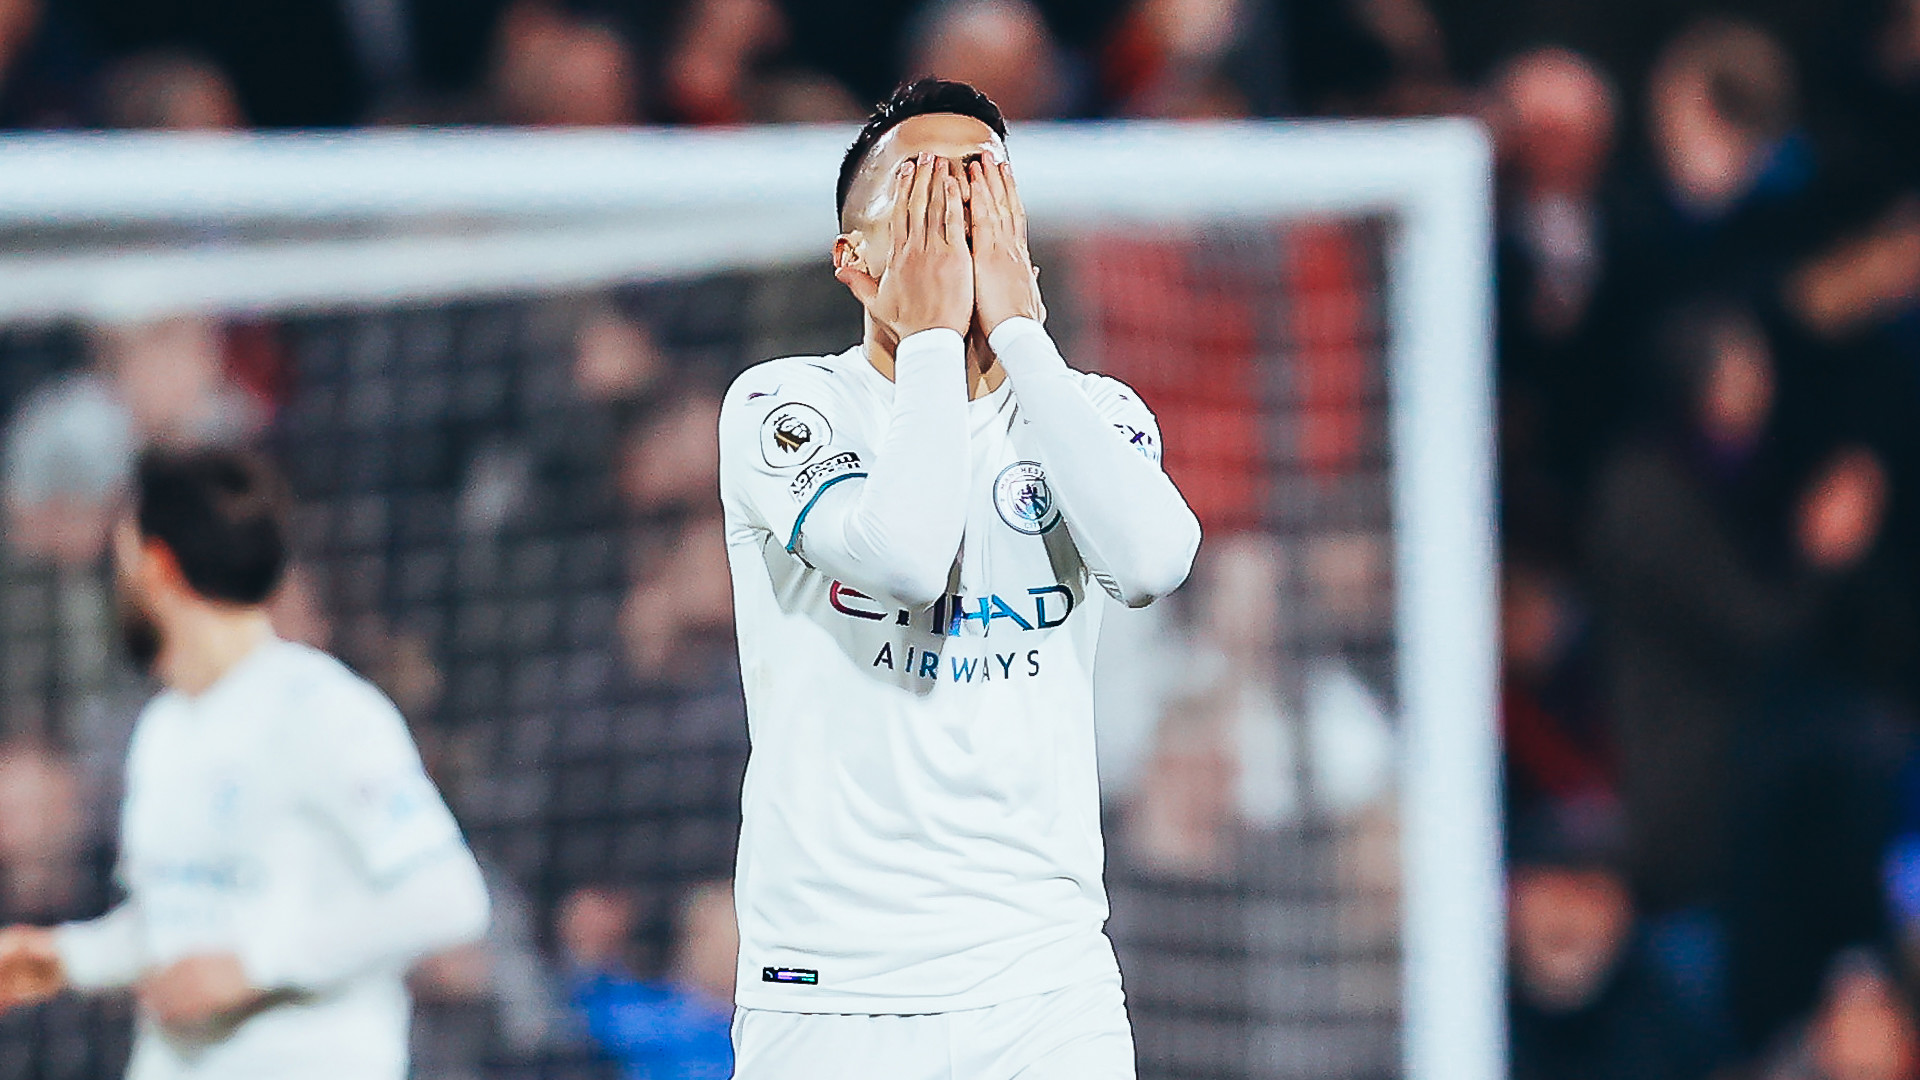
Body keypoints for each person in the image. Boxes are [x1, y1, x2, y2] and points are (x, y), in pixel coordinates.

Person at [717, 78, 1201, 1077]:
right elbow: (904, 551)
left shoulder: (1091, 412)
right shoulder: (785, 404)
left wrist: (1021, 335)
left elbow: (1156, 561)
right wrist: (937, 339)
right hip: (833, 993)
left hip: (1045, 987)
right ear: (854, 264)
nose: (957, 220)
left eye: (981, 189)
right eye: (925, 194)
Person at [0, 447, 490, 1079]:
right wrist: (62, 959)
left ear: (156, 569)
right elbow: (185, 921)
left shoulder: (323, 711)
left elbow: (447, 898)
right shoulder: (164, 729)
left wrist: (254, 966)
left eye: (121, 557)